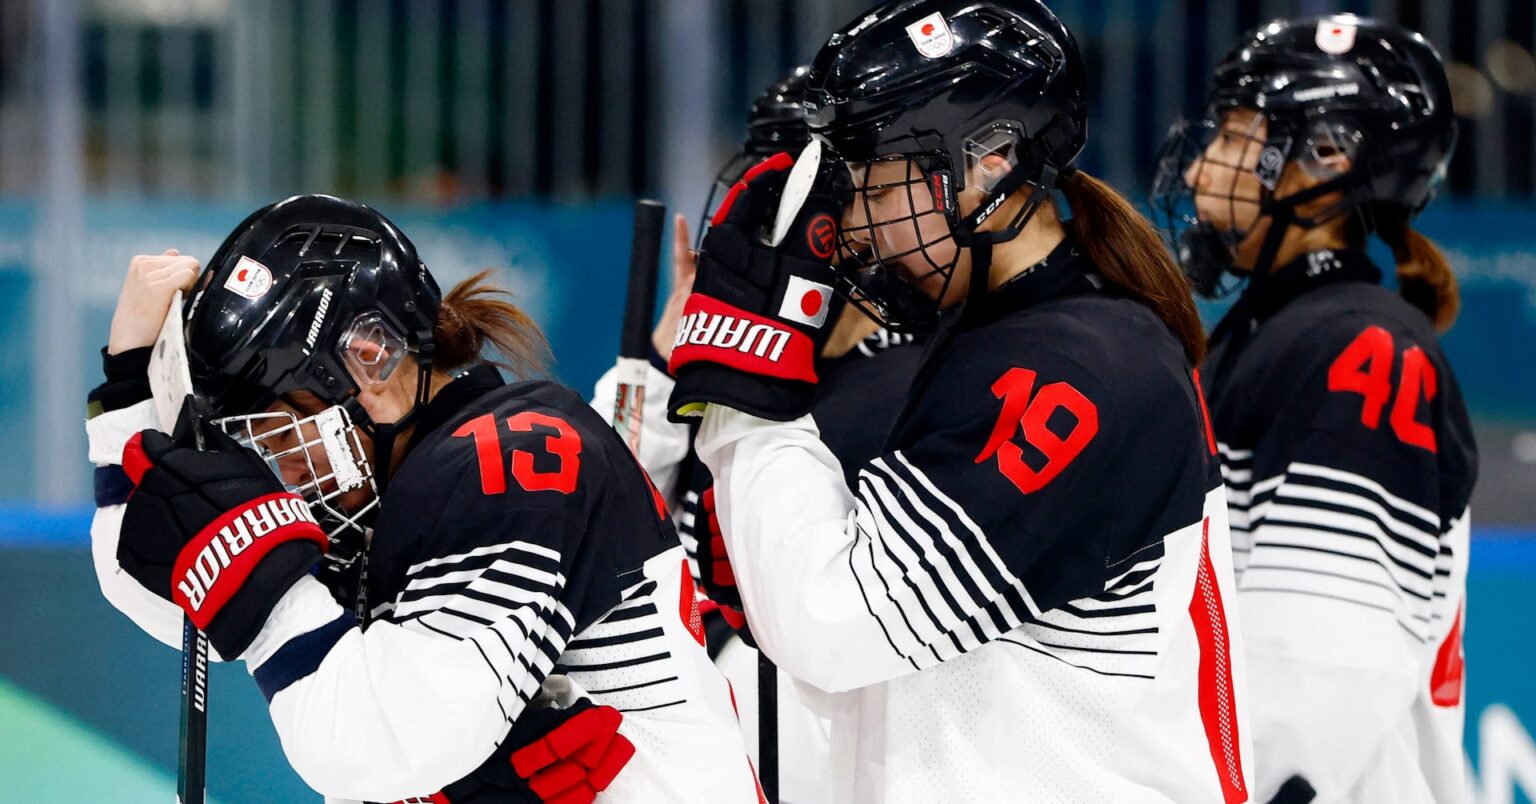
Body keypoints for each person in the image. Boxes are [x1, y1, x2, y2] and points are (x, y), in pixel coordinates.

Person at [662, 0, 1255, 800]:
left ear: (990, 160)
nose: (861, 230)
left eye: (876, 189)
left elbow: (833, 625)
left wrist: (746, 388)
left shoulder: (1070, 369)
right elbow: (874, 671)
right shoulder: (1005, 339)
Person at [84, 195, 760, 803]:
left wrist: (263, 586)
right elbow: (152, 578)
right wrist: (126, 390)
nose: (283, 473)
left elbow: (381, 749)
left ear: (370, 356)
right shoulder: (383, 491)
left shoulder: (513, 460)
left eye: (288, 436)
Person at [1151, 14, 1477, 803]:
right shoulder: (1292, 329)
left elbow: (1320, 675)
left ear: (1328, 161)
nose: (1202, 174)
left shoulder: (1354, 348)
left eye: (1235, 139)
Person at [592, 65, 931, 804]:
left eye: (779, 215)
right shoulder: (714, 368)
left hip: (848, 747)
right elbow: (598, 493)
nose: (755, 240)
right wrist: (662, 354)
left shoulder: (914, 385)